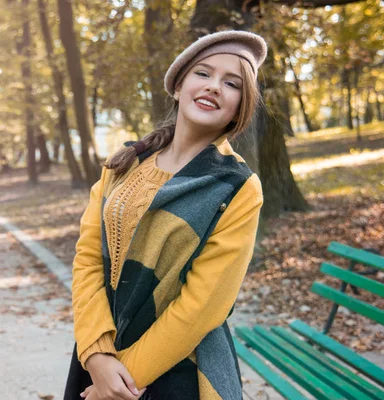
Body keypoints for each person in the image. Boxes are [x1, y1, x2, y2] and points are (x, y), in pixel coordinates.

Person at [64, 30, 268, 400]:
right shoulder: (122, 164)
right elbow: (88, 260)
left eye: (231, 83)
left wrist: (118, 382)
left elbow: (203, 307)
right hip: (100, 357)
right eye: (203, 74)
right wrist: (95, 353)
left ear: (241, 105)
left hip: (177, 372)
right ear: (178, 85)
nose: (214, 87)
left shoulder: (237, 188)